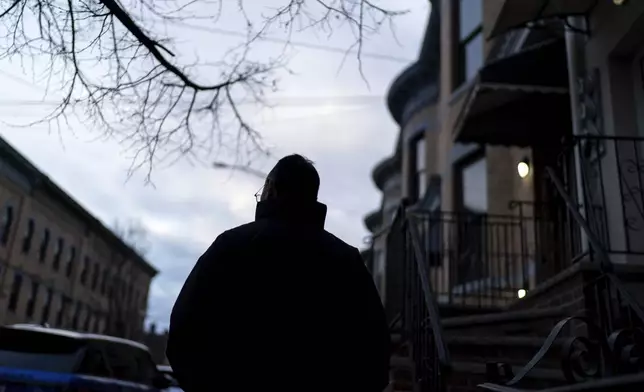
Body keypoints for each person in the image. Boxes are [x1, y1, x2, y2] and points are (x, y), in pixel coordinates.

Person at [166, 154, 391, 392]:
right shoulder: (346, 260)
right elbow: (375, 350)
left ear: (271, 189)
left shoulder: (231, 246)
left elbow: (184, 333)